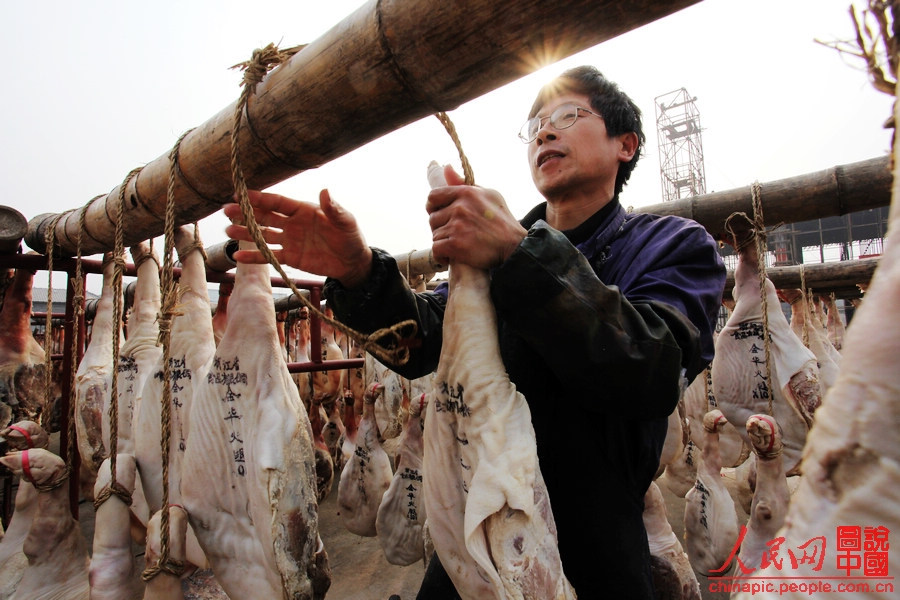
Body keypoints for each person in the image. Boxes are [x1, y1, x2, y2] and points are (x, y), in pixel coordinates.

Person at [224, 65, 725, 599]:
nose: (544, 133)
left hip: (595, 548)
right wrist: (360, 273)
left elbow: (652, 369)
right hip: (469, 537)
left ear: (626, 144)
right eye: (534, 125)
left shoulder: (673, 246)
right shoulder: (488, 257)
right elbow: (421, 343)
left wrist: (518, 251)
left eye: (567, 116)